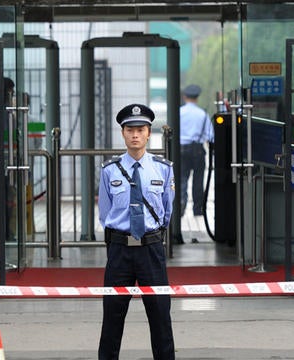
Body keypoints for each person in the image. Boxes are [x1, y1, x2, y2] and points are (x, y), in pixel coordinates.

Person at [97, 104, 175, 360]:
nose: (135, 135)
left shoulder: (163, 168)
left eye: (140, 129)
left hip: (151, 249)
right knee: (112, 318)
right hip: (119, 250)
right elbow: (105, 213)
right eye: (130, 130)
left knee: (161, 317)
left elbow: (167, 210)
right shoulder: (109, 170)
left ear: (149, 133)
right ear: (122, 133)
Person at [179, 84, 213, 219]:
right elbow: (211, 136)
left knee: (182, 179)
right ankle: (197, 209)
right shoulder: (203, 114)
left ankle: (181, 205)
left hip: (181, 150)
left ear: (184, 97)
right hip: (198, 150)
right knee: (198, 180)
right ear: (197, 98)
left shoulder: (179, 112)